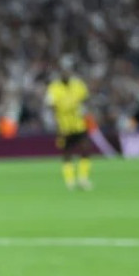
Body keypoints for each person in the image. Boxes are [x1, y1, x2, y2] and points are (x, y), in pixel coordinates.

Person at [46, 58, 92, 190]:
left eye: (67, 71)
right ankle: (70, 181)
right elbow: (52, 107)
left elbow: (86, 100)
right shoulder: (54, 88)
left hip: (79, 124)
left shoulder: (78, 85)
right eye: (63, 71)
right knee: (67, 153)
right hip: (64, 126)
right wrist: (57, 126)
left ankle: (83, 179)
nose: (65, 73)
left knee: (85, 149)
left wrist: (87, 113)